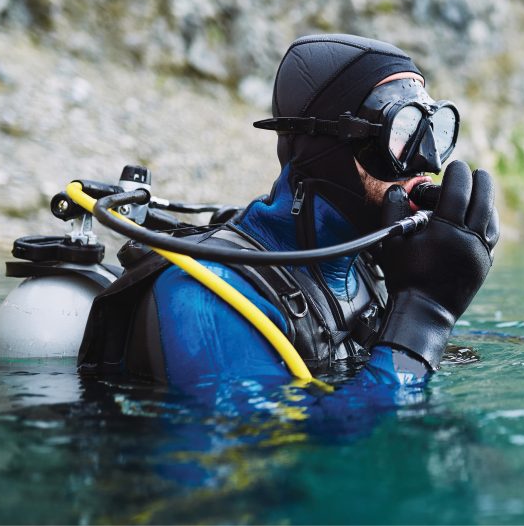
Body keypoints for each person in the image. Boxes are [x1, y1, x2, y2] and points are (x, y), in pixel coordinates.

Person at [77, 33, 500, 408]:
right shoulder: (205, 299)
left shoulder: (366, 266)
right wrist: (428, 313)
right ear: (329, 149)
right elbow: (282, 467)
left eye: (433, 129)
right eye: (402, 131)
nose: (426, 160)